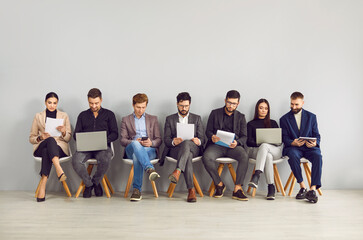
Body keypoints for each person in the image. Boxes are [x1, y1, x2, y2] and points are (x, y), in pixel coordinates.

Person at [202, 90, 249, 201]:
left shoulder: (241, 117)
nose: (231, 106)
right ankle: (219, 184)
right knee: (206, 157)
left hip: (233, 147)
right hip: (217, 145)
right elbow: (207, 131)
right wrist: (212, 136)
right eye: (229, 102)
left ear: (238, 104)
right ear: (225, 100)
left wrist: (237, 143)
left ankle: (237, 189)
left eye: (234, 104)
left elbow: (244, 136)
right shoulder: (214, 113)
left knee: (244, 156)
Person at [72, 88, 118, 198]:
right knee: (76, 160)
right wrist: (83, 138)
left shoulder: (109, 114)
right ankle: (89, 184)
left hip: (102, 147)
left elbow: (115, 133)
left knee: (105, 159)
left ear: (101, 100)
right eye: (91, 103)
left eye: (96, 103)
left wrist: (103, 140)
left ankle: (96, 181)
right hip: (85, 148)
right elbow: (76, 134)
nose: (93, 106)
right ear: (88, 101)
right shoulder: (82, 115)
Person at [160, 92, 205, 202]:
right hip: (176, 150)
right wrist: (174, 141)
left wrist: (197, 140)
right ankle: (191, 190)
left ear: (190, 104)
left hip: (194, 148)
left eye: (186, 106)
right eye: (181, 106)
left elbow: (202, 139)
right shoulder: (170, 119)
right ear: (177, 104)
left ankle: (178, 170)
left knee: (187, 144)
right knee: (187, 156)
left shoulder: (197, 118)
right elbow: (166, 140)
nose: (184, 108)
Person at [280, 91, 322, 203]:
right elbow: (283, 138)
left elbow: (317, 135)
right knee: (293, 155)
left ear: (302, 103)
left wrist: (315, 143)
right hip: (293, 148)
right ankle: (303, 187)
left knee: (318, 156)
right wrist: (293, 143)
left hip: (309, 147)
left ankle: (313, 190)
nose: (293, 107)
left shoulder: (312, 117)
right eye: (292, 104)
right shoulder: (284, 119)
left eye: (296, 104)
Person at [29, 92, 72, 202]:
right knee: (49, 141)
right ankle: (59, 169)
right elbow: (31, 138)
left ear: (57, 103)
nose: (52, 105)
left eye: (54, 103)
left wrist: (63, 132)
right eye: (49, 102)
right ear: (45, 102)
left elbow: (68, 139)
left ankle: (43, 185)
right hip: (42, 143)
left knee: (46, 151)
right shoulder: (38, 116)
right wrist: (40, 137)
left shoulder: (64, 116)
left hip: (59, 148)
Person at [120, 93, 162, 201]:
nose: (140, 110)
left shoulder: (153, 119)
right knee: (135, 144)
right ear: (133, 105)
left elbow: (159, 140)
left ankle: (136, 190)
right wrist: (134, 141)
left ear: (146, 106)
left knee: (136, 156)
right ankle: (149, 169)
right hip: (131, 147)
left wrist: (151, 143)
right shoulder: (126, 119)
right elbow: (122, 140)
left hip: (149, 150)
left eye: (143, 107)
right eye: (138, 107)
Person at [247, 99, 282, 200]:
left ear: (268, 110)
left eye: (266, 108)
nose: (263, 110)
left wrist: (265, 143)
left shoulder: (273, 123)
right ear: (257, 109)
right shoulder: (251, 124)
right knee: (267, 155)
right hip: (257, 152)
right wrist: (261, 143)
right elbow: (248, 142)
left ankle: (257, 174)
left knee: (265, 146)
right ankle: (271, 187)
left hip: (275, 150)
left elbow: (279, 141)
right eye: (261, 108)